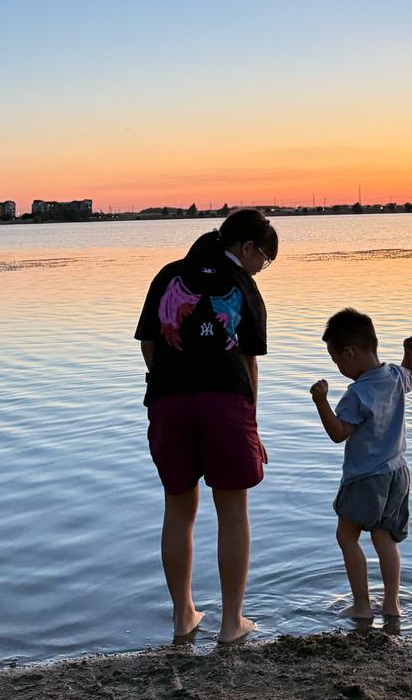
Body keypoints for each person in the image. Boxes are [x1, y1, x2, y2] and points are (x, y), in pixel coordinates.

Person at [135, 209, 278, 643]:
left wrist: (166, 384)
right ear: (247, 248)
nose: (262, 268)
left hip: (169, 402)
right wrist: (252, 424)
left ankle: (183, 617)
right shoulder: (242, 287)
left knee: (178, 510)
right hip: (225, 402)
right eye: (264, 259)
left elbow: (148, 343)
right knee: (232, 511)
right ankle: (232, 623)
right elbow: (248, 360)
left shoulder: (169, 275)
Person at [310, 308, 412, 623]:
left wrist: (321, 402)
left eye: (337, 361)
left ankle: (361, 605)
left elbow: (338, 434)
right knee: (384, 537)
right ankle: (391, 605)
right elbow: (410, 374)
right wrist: (408, 352)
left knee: (347, 537)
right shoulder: (395, 377)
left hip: (365, 478)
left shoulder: (356, 394)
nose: (338, 367)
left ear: (350, 352)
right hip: (398, 473)